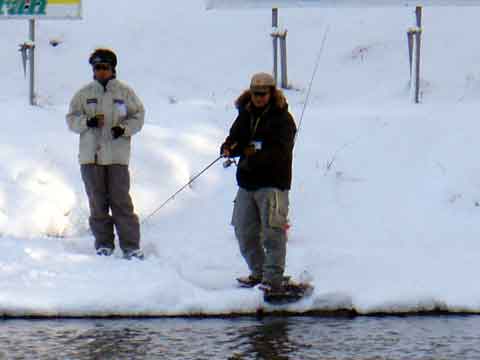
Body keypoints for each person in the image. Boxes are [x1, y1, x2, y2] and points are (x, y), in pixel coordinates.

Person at [221, 72, 297, 293]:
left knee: (273, 233)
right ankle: (259, 272)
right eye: (255, 93)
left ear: (272, 93)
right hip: (247, 183)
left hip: (273, 184)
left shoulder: (283, 119)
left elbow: (281, 152)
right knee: (244, 230)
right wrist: (228, 148)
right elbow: (235, 138)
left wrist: (252, 153)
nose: (259, 98)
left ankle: (273, 279)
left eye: (263, 94)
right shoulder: (245, 114)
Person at [66, 48, 145, 260]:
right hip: (90, 158)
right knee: (97, 203)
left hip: (117, 157)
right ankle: (103, 244)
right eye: (97, 68)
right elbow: (71, 119)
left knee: (121, 202)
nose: (100, 71)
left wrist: (123, 129)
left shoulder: (125, 93)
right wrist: (86, 122)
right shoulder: (84, 94)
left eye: (104, 67)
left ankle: (130, 246)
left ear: (113, 69)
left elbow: (138, 116)